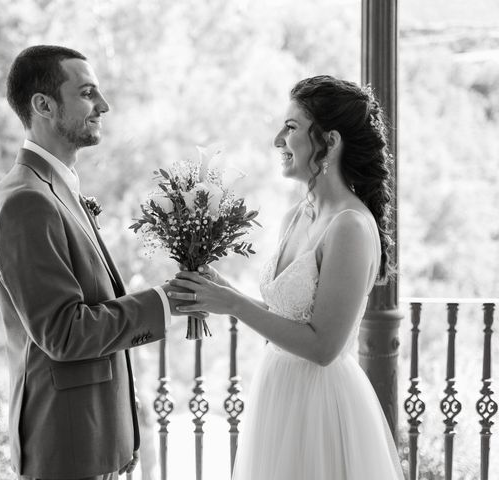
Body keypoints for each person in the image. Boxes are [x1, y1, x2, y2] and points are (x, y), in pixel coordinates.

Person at [168, 76, 404, 479]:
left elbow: (324, 346)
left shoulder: (349, 226)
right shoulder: (295, 216)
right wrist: (223, 291)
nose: (278, 139)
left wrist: (234, 305)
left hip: (320, 407)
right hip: (278, 392)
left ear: (329, 142)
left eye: (291, 127)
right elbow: (292, 319)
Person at [0, 45, 196, 480]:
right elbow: (63, 332)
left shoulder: (55, 188)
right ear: (43, 105)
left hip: (90, 438)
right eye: (87, 93)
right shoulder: (26, 200)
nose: (103, 105)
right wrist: (164, 302)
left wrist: (118, 432)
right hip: (66, 447)